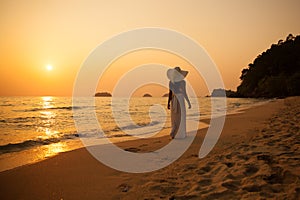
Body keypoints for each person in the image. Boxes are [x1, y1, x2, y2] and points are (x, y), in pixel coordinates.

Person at [167, 66, 191, 139]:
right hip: (180, 99)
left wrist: (168, 103)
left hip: (173, 99)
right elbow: (184, 92)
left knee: (175, 118)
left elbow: (170, 93)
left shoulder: (171, 82)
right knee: (181, 117)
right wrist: (188, 102)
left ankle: (174, 133)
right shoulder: (182, 82)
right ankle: (180, 134)